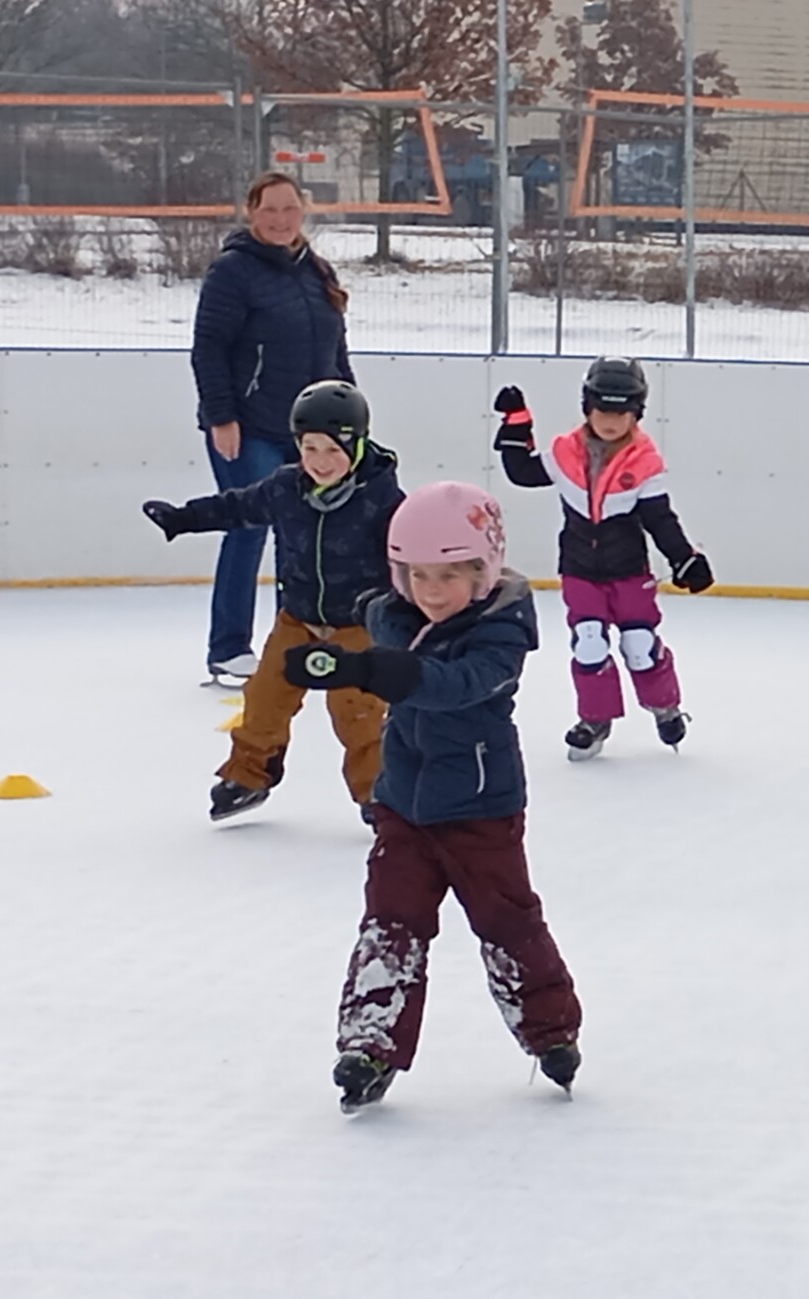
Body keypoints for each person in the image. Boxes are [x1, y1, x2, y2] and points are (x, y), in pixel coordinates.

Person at [282, 482, 583, 1112]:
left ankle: (551, 1030)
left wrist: (377, 671)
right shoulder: (389, 615)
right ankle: (369, 1044)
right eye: (417, 575)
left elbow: (457, 684)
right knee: (389, 924)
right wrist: (331, 662)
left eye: (449, 575)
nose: (431, 591)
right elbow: (359, 626)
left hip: (480, 810)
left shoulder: (501, 634)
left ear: (484, 570)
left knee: (507, 922)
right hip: (402, 808)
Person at [142, 380, 405, 823]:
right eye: (310, 448)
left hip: (358, 625)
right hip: (297, 619)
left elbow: (414, 554)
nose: (320, 461)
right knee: (265, 699)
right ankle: (248, 777)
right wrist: (184, 518)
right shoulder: (286, 488)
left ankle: (379, 793)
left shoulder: (383, 500)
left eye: (332, 449)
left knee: (357, 712)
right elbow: (236, 507)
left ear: (357, 444)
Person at [494, 357, 714, 761]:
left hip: (628, 571)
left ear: (637, 413)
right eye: (603, 410)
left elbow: (659, 518)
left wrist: (685, 559)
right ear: (587, 407)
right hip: (580, 570)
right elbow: (522, 471)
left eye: (622, 412)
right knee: (589, 642)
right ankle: (595, 720)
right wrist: (515, 421)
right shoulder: (564, 453)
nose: (611, 421)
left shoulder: (645, 463)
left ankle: (664, 706)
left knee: (639, 644)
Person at [188, 171, 353, 687]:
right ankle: (228, 648)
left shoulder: (315, 270)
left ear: (303, 211)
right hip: (249, 428)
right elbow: (208, 347)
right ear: (252, 213)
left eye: (289, 209)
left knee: (303, 536)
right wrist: (221, 416)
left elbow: (336, 351)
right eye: (269, 210)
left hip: (311, 435)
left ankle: (297, 641)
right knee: (248, 527)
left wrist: (349, 418)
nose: (280, 220)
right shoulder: (233, 271)